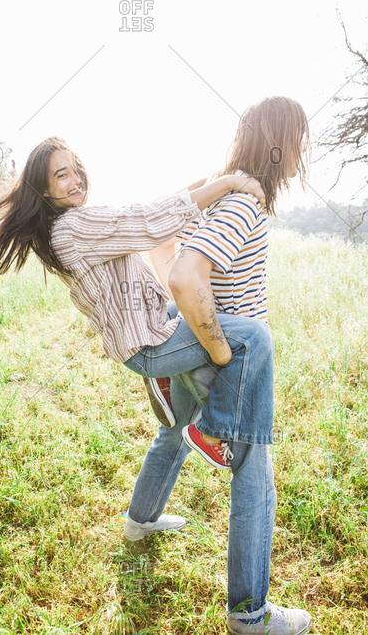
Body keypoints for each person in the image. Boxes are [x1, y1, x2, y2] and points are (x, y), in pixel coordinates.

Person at [125, 97, 312, 635]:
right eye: (299, 137)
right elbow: (187, 275)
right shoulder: (242, 204)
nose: (304, 149)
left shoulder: (225, 193)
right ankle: (249, 614)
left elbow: (165, 242)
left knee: (173, 434)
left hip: (198, 349)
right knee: (255, 473)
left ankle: (141, 521)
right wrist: (220, 347)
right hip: (225, 359)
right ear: (279, 142)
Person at [0, 137, 271, 473]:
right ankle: (210, 430)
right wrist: (229, 183)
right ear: (44, 190)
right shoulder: (75, 226)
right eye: (62, 175)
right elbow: (148, 221)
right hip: (147, 344)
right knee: (254, 336)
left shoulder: (62, 226)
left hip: (145, 326)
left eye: (76, 171)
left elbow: (148, 212)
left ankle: (140, 522)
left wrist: (209, 182)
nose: (75, 181)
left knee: (171, 433)